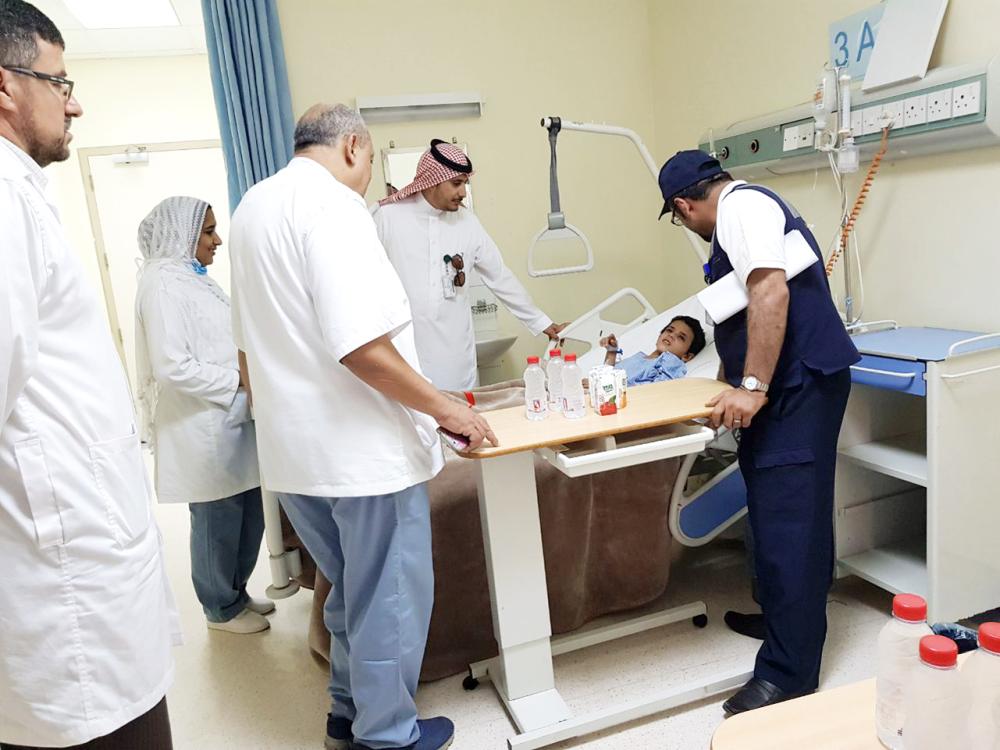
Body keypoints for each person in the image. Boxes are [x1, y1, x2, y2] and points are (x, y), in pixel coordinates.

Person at [228, 103, 496, 750]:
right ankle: (388, 735)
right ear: (352, 146)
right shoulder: (334, 208)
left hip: (294, 455)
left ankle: (347, 715)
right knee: (391, 594)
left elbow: (246, 351)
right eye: (372, 158)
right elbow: (361, 346)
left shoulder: (253, 208)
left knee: (350, 587)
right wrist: (447, 409)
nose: (369, 172)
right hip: (362, 454)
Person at [0, 2, 178, 748]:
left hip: (84, 553)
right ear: (6, 86)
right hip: (65, 579)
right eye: (59, 82)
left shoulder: (21, 196)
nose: (73, 104)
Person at [658, 149, 860, 714]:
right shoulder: (744, 212)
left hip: (798, 388)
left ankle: (789, 672)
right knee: (774, 513)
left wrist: (751, 387)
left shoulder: (741, 211)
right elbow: (745, 311)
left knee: (790, 523)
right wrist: (730, 384)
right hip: (787, 385)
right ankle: (783, 621)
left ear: (683, 206)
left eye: (678, 219)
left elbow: (771, 292)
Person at [135, 196, 271, 635]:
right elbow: (171, 366)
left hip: (229, 418)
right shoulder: (162, 284)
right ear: (183, 234)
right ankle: (219, 608)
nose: (217, 240)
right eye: (208, 232)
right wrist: (238, 380)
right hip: (201, 425)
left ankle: (236, 592)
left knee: (248, 512)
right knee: (217, 521)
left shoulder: (193, 278)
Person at [372, 139, 567, 390]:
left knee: (463, 411)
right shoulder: (388, 218)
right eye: (456, 183)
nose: (463, 192)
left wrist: (542, 323)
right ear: (432, 181)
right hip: (407, 356)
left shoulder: (467, 223)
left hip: (457, 359)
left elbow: (499, 276)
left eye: (465, 183)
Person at [598, 315, 706, 386]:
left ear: (686, 356)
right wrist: (612, 352)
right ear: (660, 335)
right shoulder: (639, 357)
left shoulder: (670, 362)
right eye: (669, 330)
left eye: (681, 337)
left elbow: (655, 392)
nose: (671, 335)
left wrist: (605, 387)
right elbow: (608, 373)